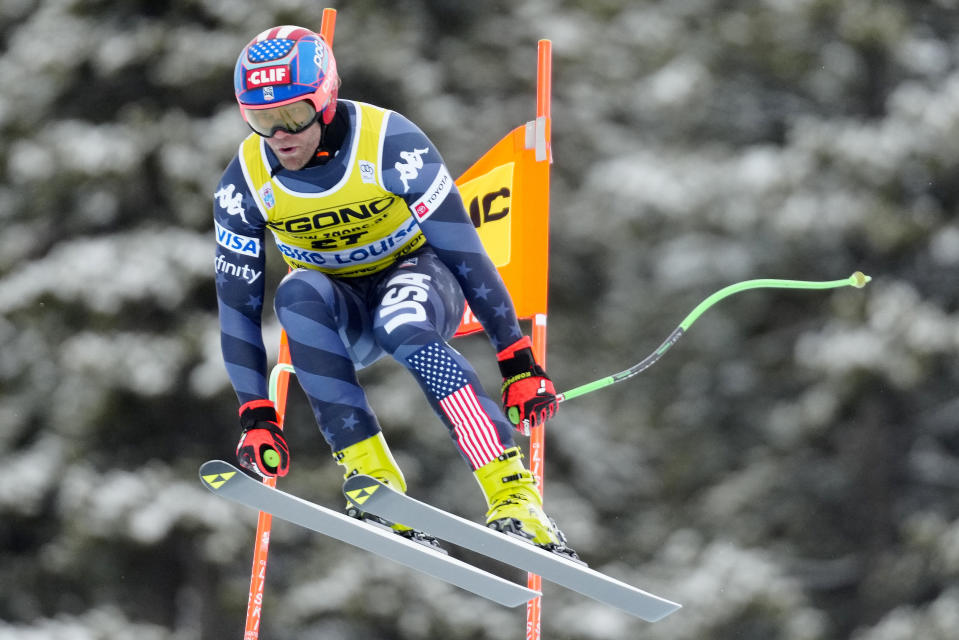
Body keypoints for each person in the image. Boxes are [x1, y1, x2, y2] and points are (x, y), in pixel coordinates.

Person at [213, 25, 574, 556]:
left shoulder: (389, 143)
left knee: (401, 320)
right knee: (296, 294)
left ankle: (513, 494)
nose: (281, 135)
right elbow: (236, 308)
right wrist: (256, 415)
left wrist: (516, 358)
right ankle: (373, 483)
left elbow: (464, 252)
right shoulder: (245, 180)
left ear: (327, 99)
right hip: (343, 309)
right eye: (261, 119)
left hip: (423, 276)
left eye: (295, 115)